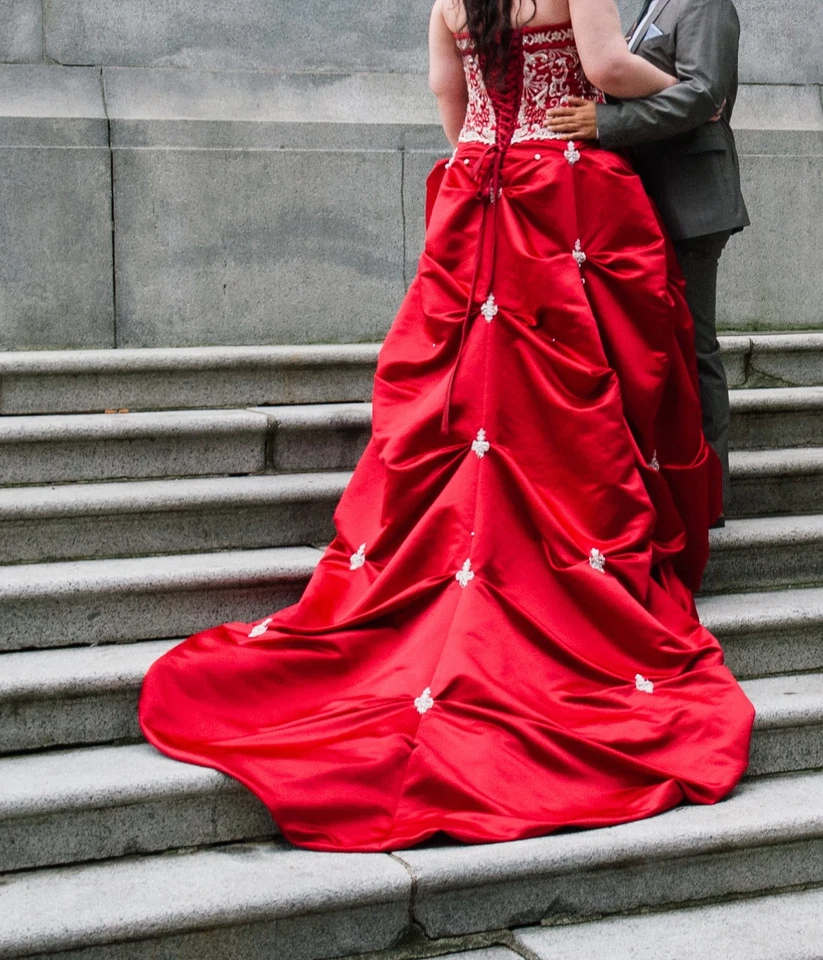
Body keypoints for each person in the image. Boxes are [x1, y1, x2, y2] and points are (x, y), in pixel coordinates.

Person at [139, 0, 754, 853]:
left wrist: (485, 147)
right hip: (558, 186)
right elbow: (609, 71)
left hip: (476, 189)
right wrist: (687, 94)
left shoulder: (448, 2)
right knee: (573, 402)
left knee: (459, 391)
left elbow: (449, 102)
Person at [544, 0, 750, 522]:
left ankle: (711, 498)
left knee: (695, 347)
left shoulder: (707, 4)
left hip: (692, 206)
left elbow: (703, 95)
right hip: (645, 206)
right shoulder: (650, 5)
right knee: (661, 351)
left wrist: (606, 123)